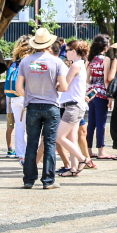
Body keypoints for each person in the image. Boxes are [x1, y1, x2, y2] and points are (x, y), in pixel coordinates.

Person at [16, 28, 68, 189]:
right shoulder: (57, 62)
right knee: (50, 144)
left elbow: (18, 88)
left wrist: (30, 95)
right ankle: (48, 180)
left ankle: (29, 180)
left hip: (32, 106)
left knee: (31, 143)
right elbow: (64, 87)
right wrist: (56, 87)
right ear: (49, 44)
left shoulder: (25, 61)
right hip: (51, 106)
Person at [56, 41, 89, 177]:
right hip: (77, 105)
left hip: (73, 106)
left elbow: (64, 86)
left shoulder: (75, 65)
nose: (66, 52)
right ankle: (73, 168)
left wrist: (55, 85)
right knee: (71, 138)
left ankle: (83, 159)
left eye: (68, 50)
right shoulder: (81, 64)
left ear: (74, 51)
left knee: (59, 136)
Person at [86, 35, 116, 159]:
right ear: (105, 46)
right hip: (101, 93)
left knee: (91, 123)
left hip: (91, 92)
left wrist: (94, 84)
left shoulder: (90, 59)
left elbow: (87, 79)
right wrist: (110, 97)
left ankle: (88, 150)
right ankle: (101, 151)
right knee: (101, 123)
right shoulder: (106, 59)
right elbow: (106, 80)